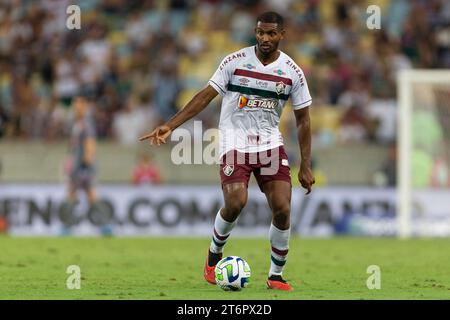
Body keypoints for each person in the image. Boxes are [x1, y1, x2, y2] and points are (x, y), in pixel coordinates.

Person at [140, 12, 315, 291]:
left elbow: (303, 119)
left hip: (270, 144)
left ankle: (275, 276)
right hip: (235, 142)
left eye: (271, 33)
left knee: (282, 208)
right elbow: (204, 96)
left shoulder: (292, 72)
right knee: (236, 202)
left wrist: (305, 164)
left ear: (282, 35)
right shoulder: (235, 61)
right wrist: (171, 125)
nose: (264, 38)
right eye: (260, 32)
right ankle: (213, 255)